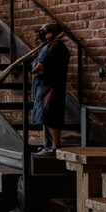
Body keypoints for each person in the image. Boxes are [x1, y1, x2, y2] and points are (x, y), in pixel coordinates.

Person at [30, 22, 69, 155]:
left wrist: (35, 70)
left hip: (52, 86)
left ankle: (55, 146)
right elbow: (36, 62)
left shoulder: (57, 47)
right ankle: (47, 144)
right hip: (43, 85)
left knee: (50, 115)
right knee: (43, 115)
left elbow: (43, 65)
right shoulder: (47, 47)